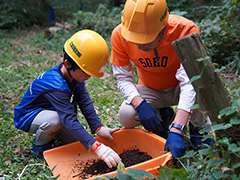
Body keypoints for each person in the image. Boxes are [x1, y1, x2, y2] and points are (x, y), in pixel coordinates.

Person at [110, 0, 213, 162]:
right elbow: (122, 78)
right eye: (134, 39)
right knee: (126, 115)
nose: (138, 45)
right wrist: (141, 105)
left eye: (144, 40)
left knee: (199, 85)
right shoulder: (119, 35)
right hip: (151, 88)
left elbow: (189, 81)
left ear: (162, 29)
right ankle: (163, 116)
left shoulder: (185, 30)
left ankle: (198, 129)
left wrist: (178, 128)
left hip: (181, 87)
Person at [14, 30, 121, 168]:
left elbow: (85, 102)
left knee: (75, 145)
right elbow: (68, 118)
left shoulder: (75, 76)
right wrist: (98, 146)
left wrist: (98, 128)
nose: (89, 77)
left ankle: (54, 133)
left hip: (53, 111)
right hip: (28, 116)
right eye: (86, 72)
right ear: (68, 63)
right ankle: (39, 147)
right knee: (56, 121)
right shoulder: (56, 85)